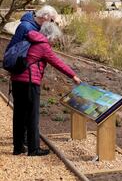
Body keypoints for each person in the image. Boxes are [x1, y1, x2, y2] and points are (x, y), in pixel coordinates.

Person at [11, 22, 81, 156]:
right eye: (54, 38)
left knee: (19, 114)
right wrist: (73, 75)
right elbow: (57, 62)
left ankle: (18, 147)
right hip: (30, 82)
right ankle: (33, 149)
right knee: (32, 116)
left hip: (16, 80)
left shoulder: (29, 38)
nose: (55, 41)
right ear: (50, 36)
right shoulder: (43, 45)